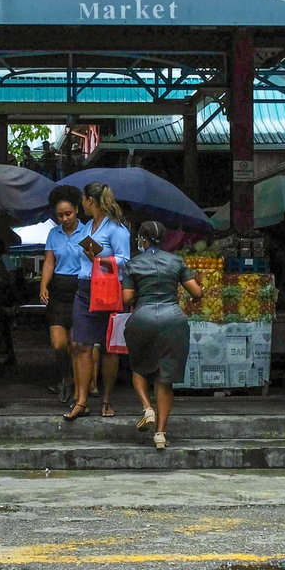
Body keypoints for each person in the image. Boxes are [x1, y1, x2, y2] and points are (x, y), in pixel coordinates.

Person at [123, 220, 204, 448]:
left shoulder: (133, 264)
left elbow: (127, 298)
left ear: (142, 239)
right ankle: (160, 434)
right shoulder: (177, 261)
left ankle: (147, 408)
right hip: (173, 320)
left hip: (142, 318)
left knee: (139, 367)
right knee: (165, 378)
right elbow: (196, 293)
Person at [69, 181, 134, 419]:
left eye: (83, 200)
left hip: (108, 288)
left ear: (90, 201)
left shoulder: (116, 229)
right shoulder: (87, 227)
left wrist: (99, 259)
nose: (82, 204)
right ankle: (82, 400)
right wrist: (91, 256)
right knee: (81, 345)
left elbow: (125, 260)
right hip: (85, 287)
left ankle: (106, 399)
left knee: (108, 348)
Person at [38, 186, 87, 406]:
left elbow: (96, 257)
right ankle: (65, 378)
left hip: (80, 289)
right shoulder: (53, 233)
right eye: (60, 215)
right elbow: (49, 261)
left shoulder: (87, 232)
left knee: (76, 343)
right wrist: (43, 285)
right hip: (58, 289)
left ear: (77, 210)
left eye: (68, 214)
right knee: (59, 344)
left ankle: (80, 386)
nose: (65, 218)